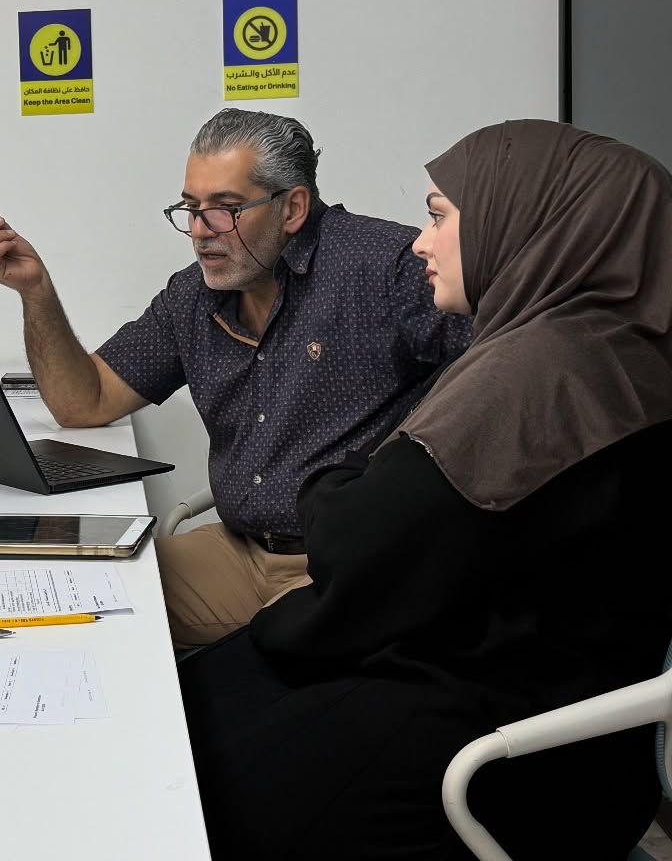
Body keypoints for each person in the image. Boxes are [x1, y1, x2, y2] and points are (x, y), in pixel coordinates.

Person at [179, 120, 672, 859]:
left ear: (523, 225)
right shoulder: (614, 352)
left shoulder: (534, 375)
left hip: (502, 751)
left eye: (440, 217)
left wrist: (341, 480)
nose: (420, 242)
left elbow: (357, 546)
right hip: (566, 728)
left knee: (187, 768)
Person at [0, 108, 470, 646]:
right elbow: (84, 402)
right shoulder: (194, 295)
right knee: (73, 604)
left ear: (293, 207)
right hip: (237, 550)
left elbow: (504, 372)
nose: (199, 231)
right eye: (191, 207)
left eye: (226, 209)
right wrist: (35, 292)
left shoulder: (385, 268)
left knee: (254, 674)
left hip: (345, 567)